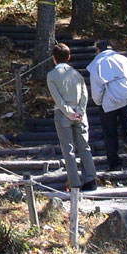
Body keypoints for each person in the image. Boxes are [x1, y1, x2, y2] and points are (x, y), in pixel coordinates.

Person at [88, 40, 127, 171]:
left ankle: (115, 163)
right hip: (125, 97)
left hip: (108, 101)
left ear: (98, 50)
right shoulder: (125, 60)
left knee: (109, 132)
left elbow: (96, 87)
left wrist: (99, 102)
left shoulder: (97, 64)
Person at [46, 42, 98, 192]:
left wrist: (69, 112)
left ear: (54, 58)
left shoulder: (52, 76)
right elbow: (85, 94)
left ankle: (75, 182)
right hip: (80, 114)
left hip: (63, 114)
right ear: (69, 57)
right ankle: (91, 179)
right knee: (84, 146)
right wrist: (80, 111)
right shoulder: (77, 74)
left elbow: (57, 98)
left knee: (68, 150)